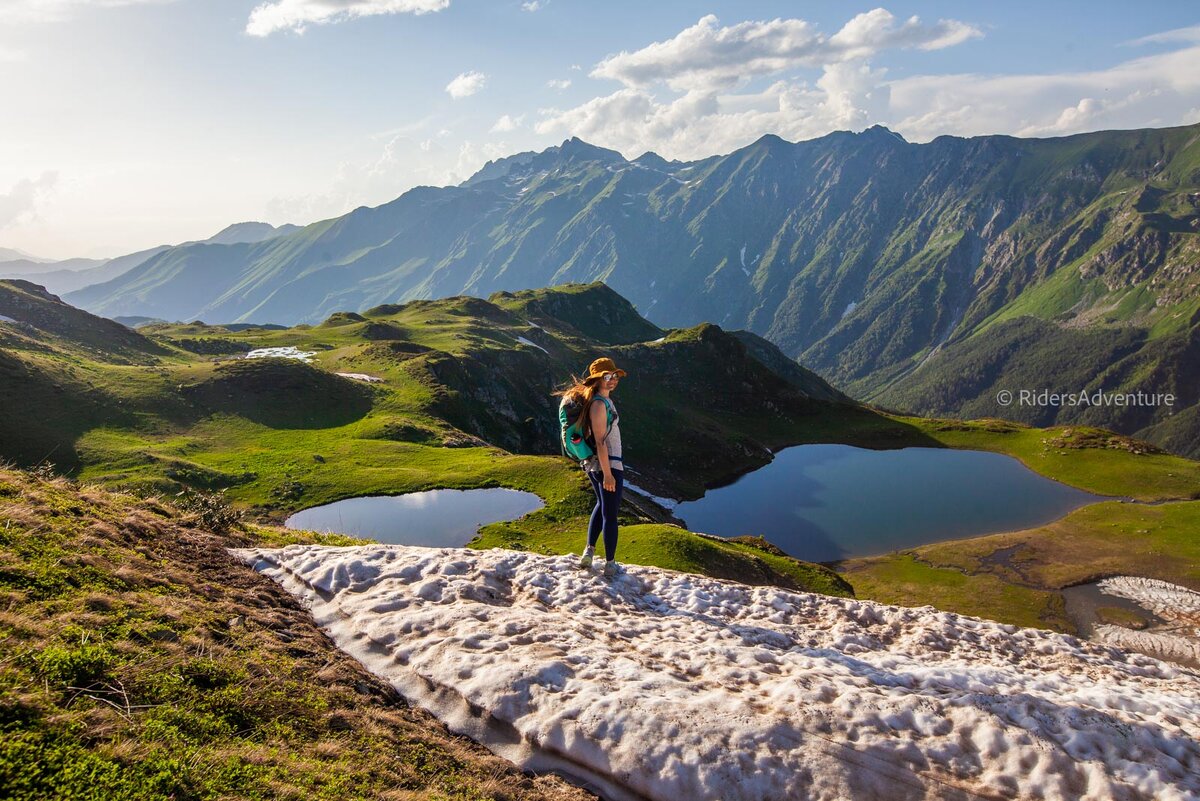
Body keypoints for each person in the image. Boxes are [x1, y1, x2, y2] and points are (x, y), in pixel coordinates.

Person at [555, 357, 627, 577]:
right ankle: (610, 564)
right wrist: (608, 474)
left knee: (601, 505)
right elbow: (600, 442)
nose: (612, 380)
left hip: (599, 465)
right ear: (596, 380)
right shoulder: (598, 404)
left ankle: (588, 553)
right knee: (611, 514)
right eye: (607, 376)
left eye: (614, 376)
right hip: (607, 465)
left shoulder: (600, 401)